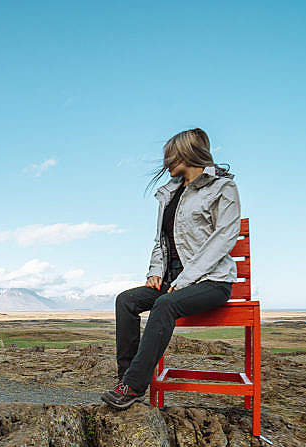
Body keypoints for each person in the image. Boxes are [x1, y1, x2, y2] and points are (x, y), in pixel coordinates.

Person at [102, 128, 241, 409]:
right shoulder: (170, 195)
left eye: (171, 155)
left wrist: (186, 279)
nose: (166, 161)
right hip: (173, 283)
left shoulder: (223, 189)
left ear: (189, 153)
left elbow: (224, 238)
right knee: (126, 301)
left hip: (211, 282)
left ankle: (133, 388)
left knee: (164, 304)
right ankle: (125, 380)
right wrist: (155, 272)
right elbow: (161, 241)